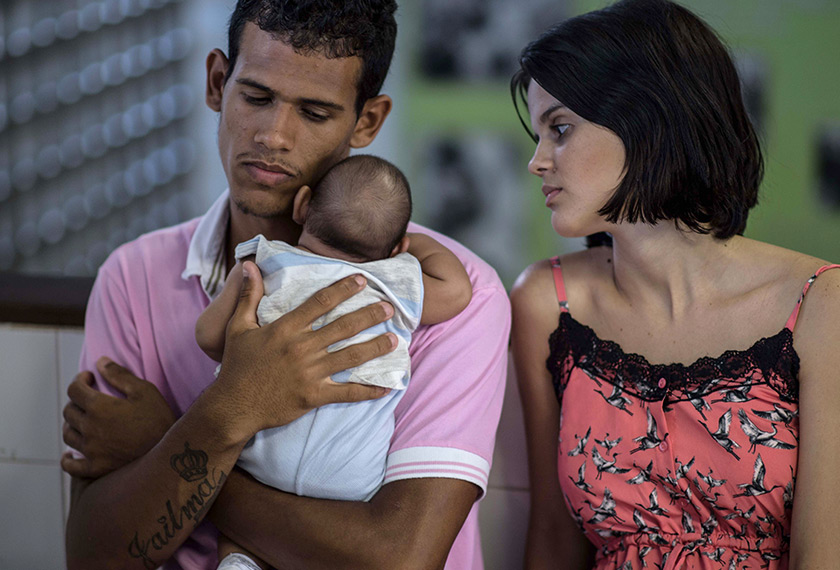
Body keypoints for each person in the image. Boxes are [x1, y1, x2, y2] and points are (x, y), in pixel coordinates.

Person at [60, 1, 510, 569]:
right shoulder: (133, 276)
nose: (274, 135)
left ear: (367, 121)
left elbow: (398, 560)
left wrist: (170, 443)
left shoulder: (450, 295)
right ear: (218, 83)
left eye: (315, 113)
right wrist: (231, 410)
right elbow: (92, 558)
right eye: (256, 97)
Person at [508, 1, 840, 569]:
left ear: (649, 120)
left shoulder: (820, 303)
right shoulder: (547, 301)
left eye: (559, 129)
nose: (538, 161)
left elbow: (824, 556)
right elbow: (552, 542)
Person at [195, 154, 472, 570]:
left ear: (302, 205)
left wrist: (241, 284)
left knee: (241, 528)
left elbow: (209, 338)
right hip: (347, 473)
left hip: (260, 458)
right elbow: (457, 291)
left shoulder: (265, 262)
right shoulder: (391, 282)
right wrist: (407, 246)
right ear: (398, 247)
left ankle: (239, 560)